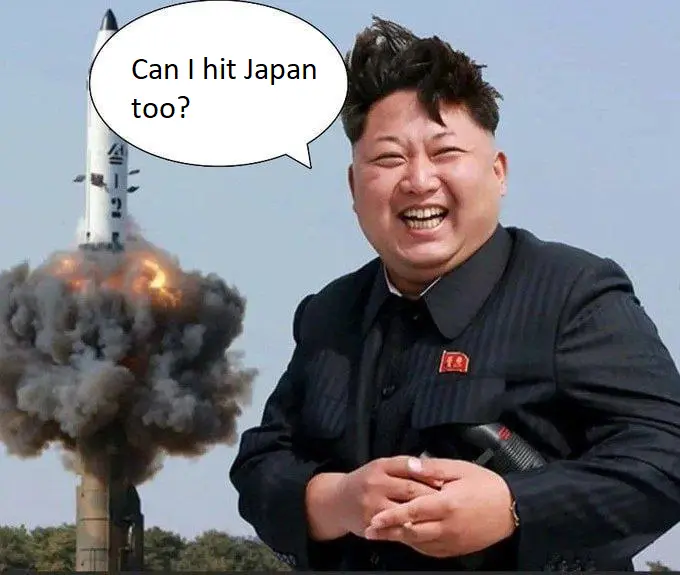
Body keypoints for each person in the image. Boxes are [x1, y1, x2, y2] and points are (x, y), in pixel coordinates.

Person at [229, 16, 680, 571]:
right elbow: (262, 463)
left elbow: (665, 455)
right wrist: (336, 499)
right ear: (353, 186)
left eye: (445, 153)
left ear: (498, 172)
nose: (419, 180)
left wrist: (512, 508)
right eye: (389, 158)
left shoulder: (573, 294)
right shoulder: (330, 313)